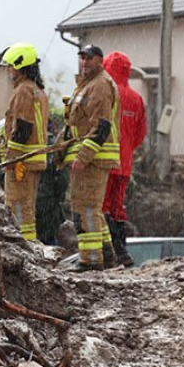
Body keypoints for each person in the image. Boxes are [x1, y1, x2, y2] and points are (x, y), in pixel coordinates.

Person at [63, 44, 121, 270]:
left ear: (100, 60)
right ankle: (106, 256)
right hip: (89, 156)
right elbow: (77, 123)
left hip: (93, 159)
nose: (84, 62)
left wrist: (83, 156)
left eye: (89, 58)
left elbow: (101, 126)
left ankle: (90, 260)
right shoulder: (88, 85)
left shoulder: (99, 85)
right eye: (82, 58)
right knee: (92, 208)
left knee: (84, 207)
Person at [0, 43, 50, 242]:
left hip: (22, 160)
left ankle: (22, 246)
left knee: (17, 206)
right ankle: (28, 243)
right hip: (34, 159)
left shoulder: (23, 90)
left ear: (21, 66)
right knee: (27, 206)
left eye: (11, 66)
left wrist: (11, 157)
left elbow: (22, 127)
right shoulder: (37, 90)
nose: (9, 71)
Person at [103, 51, 148, 266]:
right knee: (117, 206)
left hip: (104, 160)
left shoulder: (106, 93)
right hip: (125, 164)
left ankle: (112, 250)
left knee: (101, 206)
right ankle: (122, 250)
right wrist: (127, 148)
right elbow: (140, 135)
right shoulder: (136, 99)